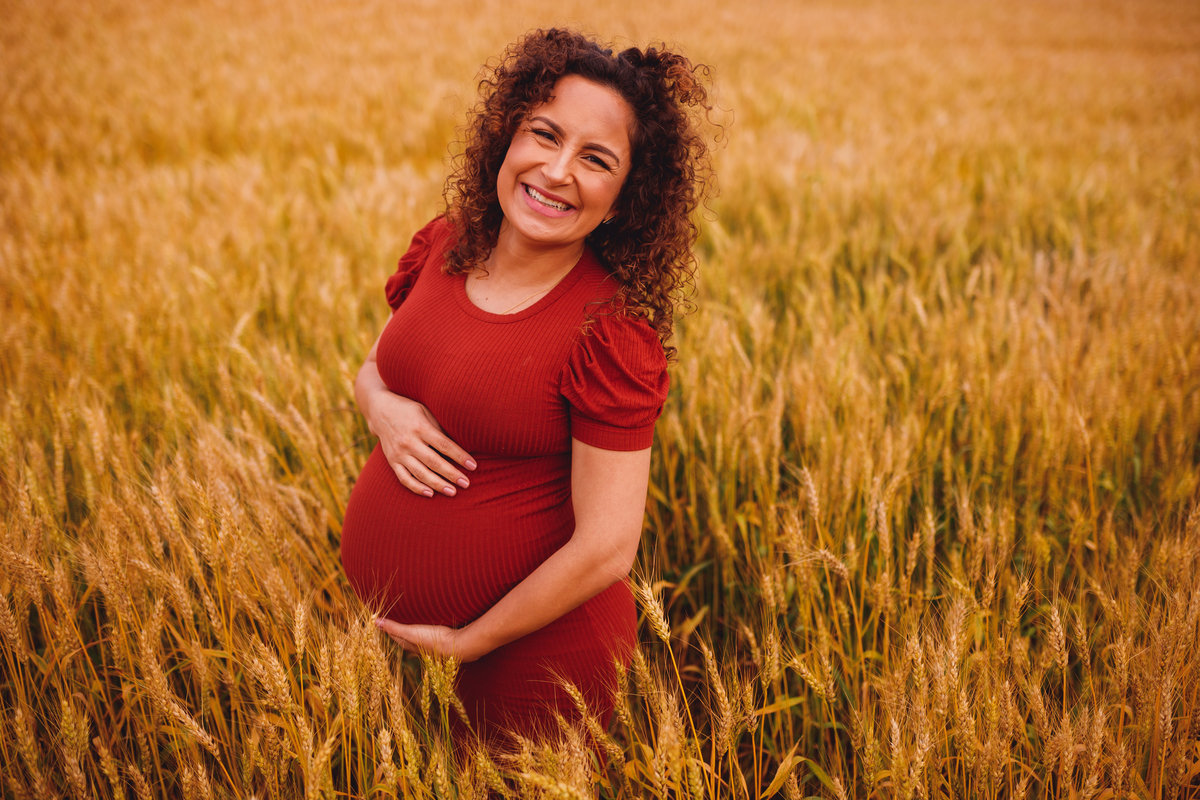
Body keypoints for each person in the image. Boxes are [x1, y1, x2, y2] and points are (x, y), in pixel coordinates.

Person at [339, 28, 713, 750]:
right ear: (508, 136)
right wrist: (381, 410)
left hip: (537, 661)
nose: (557, 169)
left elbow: (608, 547)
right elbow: (375, 367)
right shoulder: (446, 244)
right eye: (545, 134)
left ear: (627, 194)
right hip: (410, 648)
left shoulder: (609, 332)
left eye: (596, 159)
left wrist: (471, 641)